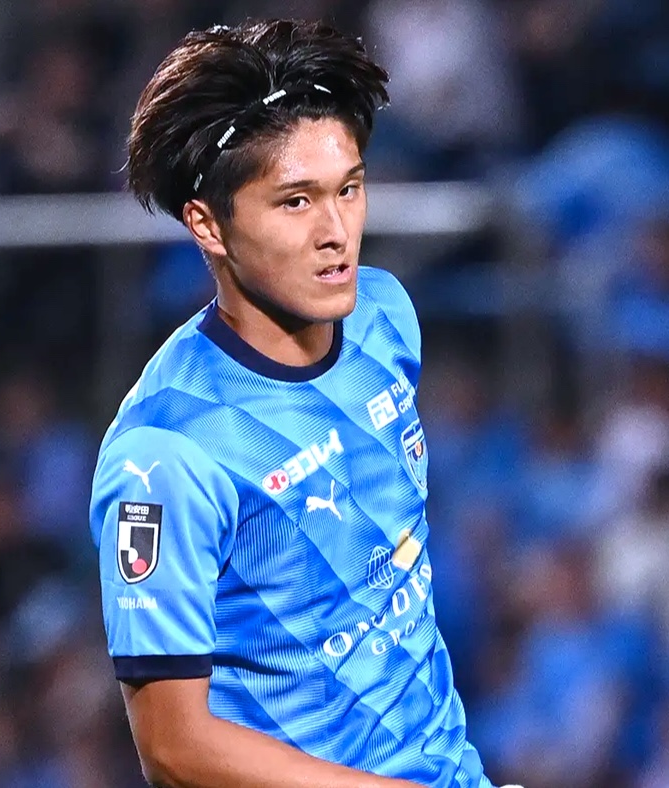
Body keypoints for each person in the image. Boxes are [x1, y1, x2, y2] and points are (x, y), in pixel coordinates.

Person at [88, 18, 517, 788]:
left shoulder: (385, 317)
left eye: (348, 188)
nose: (336, 232)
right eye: (295, 202)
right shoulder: (165, 453)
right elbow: (174, 749)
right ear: (209, 225)